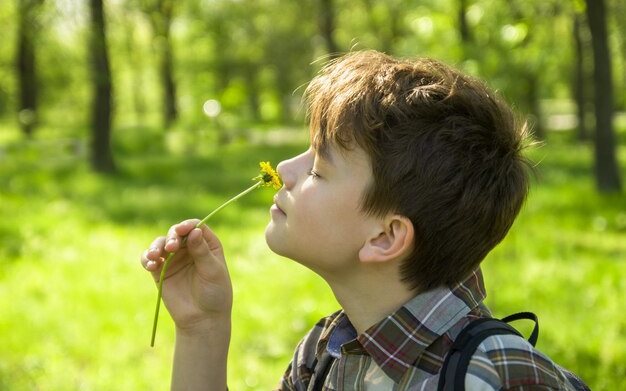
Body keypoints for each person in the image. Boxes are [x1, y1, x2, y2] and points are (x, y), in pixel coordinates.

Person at [141, 51, 585, 390]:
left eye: (318, 168)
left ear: (386, 236)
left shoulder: (495, 373)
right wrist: (202, 328)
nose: (286, 170)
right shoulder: (324, 354)